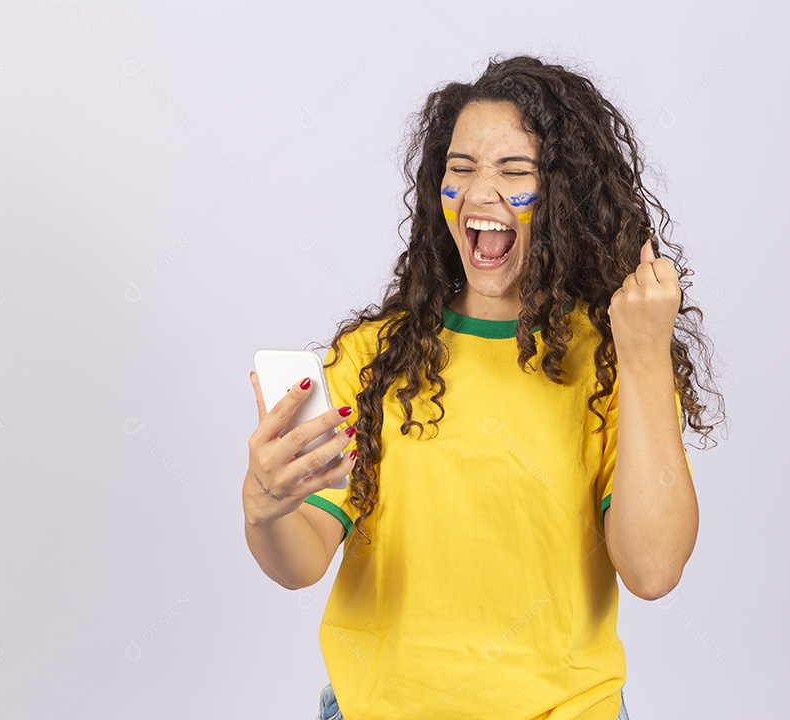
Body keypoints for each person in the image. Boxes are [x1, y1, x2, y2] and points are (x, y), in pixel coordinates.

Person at [243, 54, 724, 720]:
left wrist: (643, 355)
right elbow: (301, 560)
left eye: (515, 171)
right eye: (461, 170)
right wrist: (266, 508)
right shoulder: (373, 358)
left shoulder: (616, 364)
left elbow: (653, 569)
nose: (478, 194)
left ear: (567, 195)